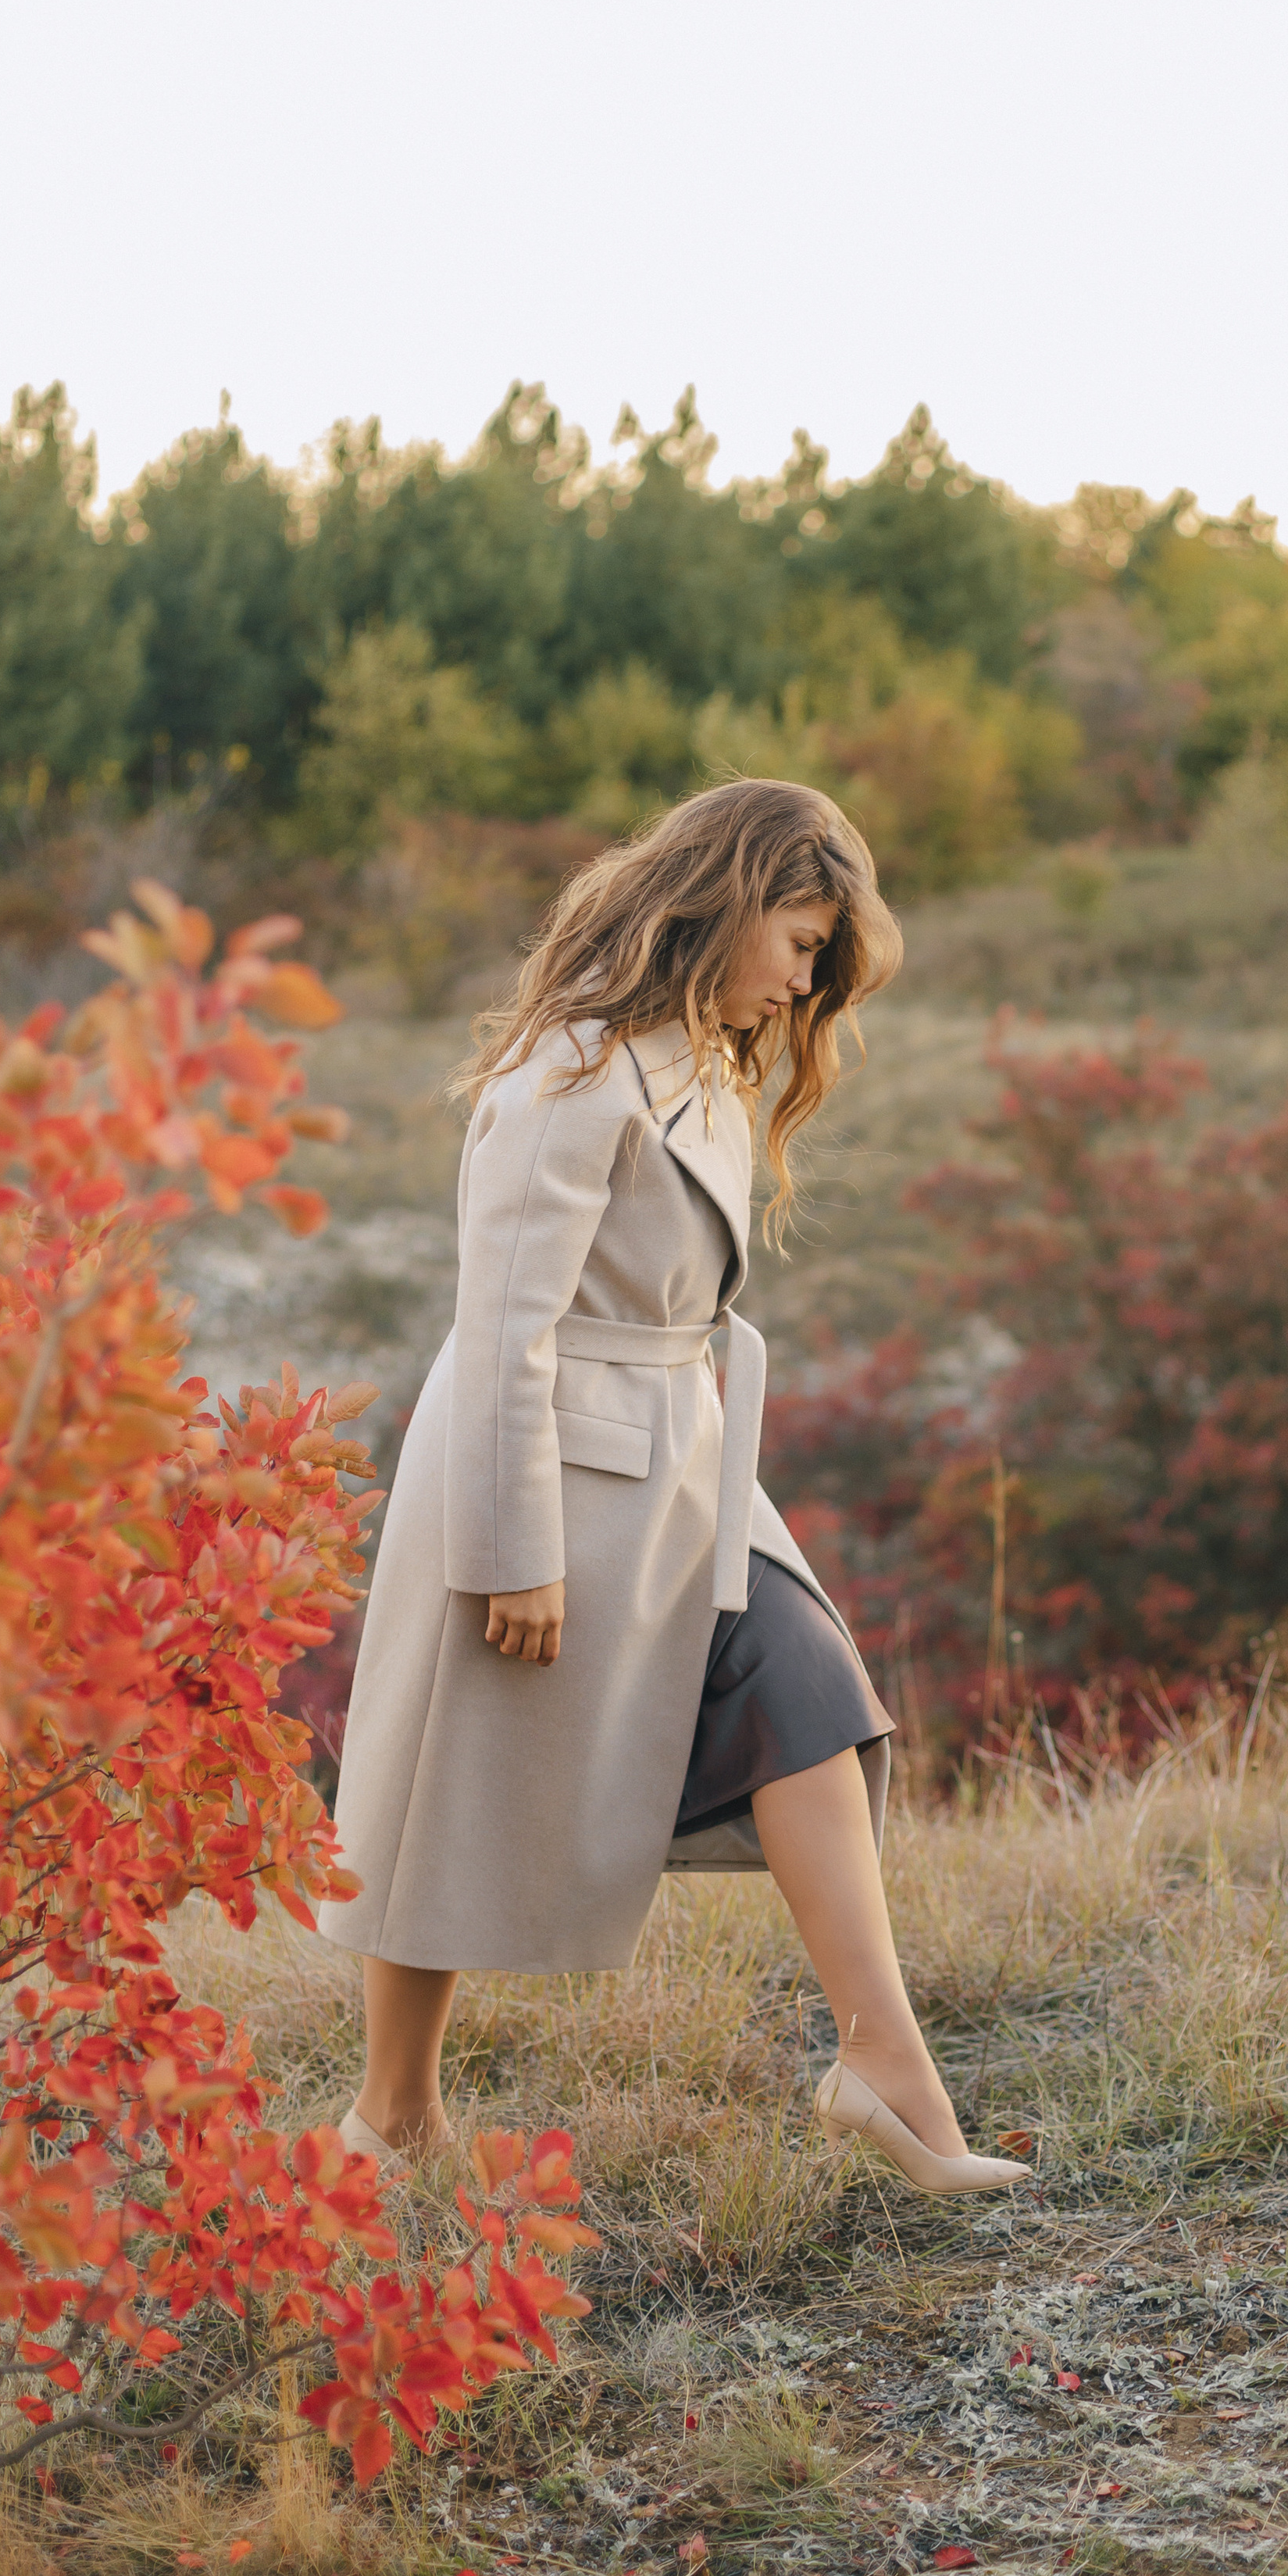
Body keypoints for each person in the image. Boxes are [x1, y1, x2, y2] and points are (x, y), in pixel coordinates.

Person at [319, 777, 1028, 2198]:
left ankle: (885, 2070)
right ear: (728, 899)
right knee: (449, 1786)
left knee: (808, 1686)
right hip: (551, 1472)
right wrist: (512, 1546)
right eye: (802, 938)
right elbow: (506, 1323)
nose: (805, 976)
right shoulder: (571, 1071)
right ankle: (391, 2114)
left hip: (683, 1456)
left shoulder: (699, 1058)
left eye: (822, 952)